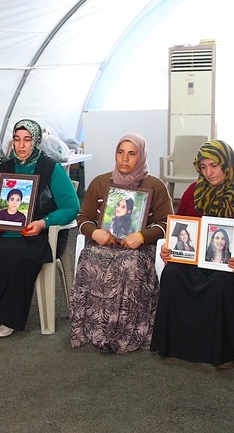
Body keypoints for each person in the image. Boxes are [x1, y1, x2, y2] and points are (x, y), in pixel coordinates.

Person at [151, 140, 234, 368]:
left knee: (221, 282)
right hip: (197, 259)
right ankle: (178, 343)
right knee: (173, 273)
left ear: (227, 164)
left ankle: (224, 351)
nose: (208, 173)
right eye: (203, 167)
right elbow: (181, 225)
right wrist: (171, 248)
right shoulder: (194, 192)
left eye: (214, 166)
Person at [0, 118, 79, 338]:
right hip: (4, 230)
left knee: (20, 255)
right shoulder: (4, 168)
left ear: (36, 141)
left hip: (40, 234)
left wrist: (43, 223)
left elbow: (72, 207)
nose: (21, 145)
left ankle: (2, 319)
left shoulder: (51, 169)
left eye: (27, 140)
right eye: (17, 139)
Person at [69, 133, 173, 354]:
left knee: (129, 265)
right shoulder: (100, 183)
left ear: (141, 156)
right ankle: (94, 329)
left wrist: (142, 236)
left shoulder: (155, 186)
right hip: (103, 244)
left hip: (139, 249)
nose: (124, 159)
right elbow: (83, 218)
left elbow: (167, 223)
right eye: (120, 152)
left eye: (132, 154)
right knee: (89, 259)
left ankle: (126, 334)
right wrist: (94, 232)